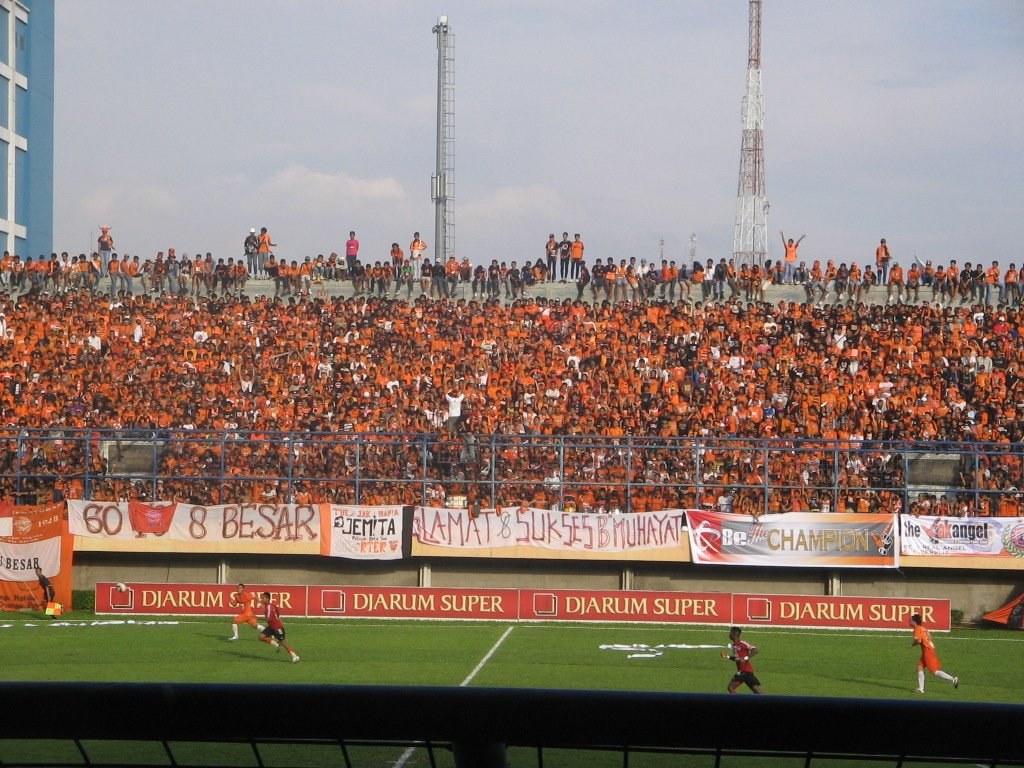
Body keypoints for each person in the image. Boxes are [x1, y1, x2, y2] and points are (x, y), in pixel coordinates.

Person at [909, 613, 958, 692]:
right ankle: (921, 689)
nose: (910, 621)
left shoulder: (917, 628)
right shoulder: (924, 628)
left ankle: (952, 679)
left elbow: (919, 640)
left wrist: (912, 644)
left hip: (927, 651)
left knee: (934, 671)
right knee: (920, 667)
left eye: (911, 620)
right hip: (928, 650)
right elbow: (928, 638)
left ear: (914, 621)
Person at [258, 591, 300, 663]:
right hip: (271, 626)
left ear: (267, 599)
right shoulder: (271, 606)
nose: (262, 599)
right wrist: (276, 618)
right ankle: (276, 644)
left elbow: (268, 618)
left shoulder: (269, 607)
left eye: (263, 598)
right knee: (261, 637)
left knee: (283, 642)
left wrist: (257, 618)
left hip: (277, 628)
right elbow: (277, 613)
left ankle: (295, 656)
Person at [721, 626, 762, 693]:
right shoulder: (734, 646)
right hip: (745, 672)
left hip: (745, 671)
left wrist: (745, 658)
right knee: (757, 692)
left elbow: (755, 650)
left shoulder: (742, 643)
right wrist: (727, 656)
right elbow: (737, 659)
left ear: (733, 634)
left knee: (731, 687)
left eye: (730, 633)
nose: (729, 635)